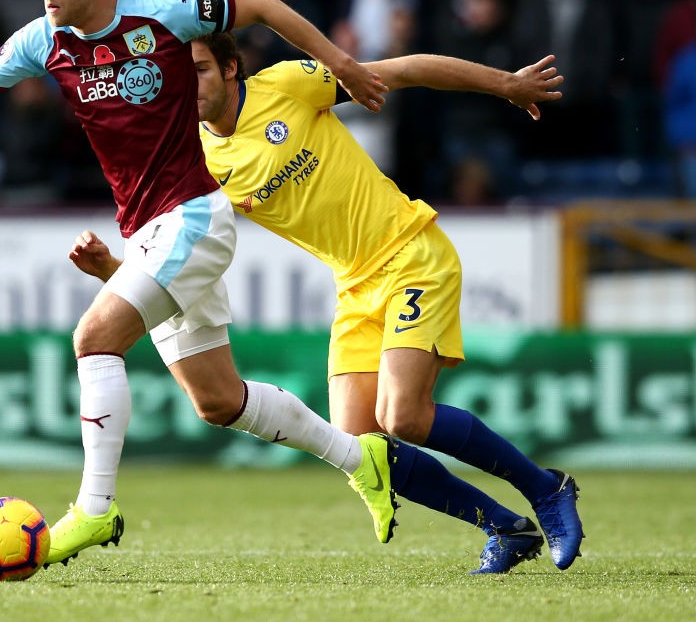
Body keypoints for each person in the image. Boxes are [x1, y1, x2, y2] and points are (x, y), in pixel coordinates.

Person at [0, 0, 393, 568]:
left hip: (193, 217)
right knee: (220, 400)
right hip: (148, 230)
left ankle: (95, 508)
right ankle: (358, 456)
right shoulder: (44, 38)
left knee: (93, 337)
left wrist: (338, 61)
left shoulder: (162, 14)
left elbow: (259, 5)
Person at [67, 32, 585, 575]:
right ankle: (504, 526)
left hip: (411, 252)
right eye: (176, 75)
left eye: (197, 70)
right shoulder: (198, 162)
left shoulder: (288, 85)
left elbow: (403, 69)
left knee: (403, 417)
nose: (186, 85)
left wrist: (506, 83)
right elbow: (178, 258)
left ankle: (547, 491)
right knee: (362, 444)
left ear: (229, 69)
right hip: (355, 286)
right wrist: (113, 271)